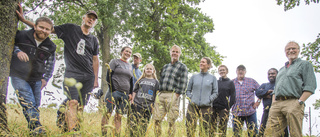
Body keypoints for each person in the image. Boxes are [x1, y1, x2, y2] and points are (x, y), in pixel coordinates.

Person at [16, 8, 100, 132]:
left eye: (93, 19)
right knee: (73, 102)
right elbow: (46, 29)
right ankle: (74, 132)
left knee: (81, 106)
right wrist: (24, 20)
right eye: (89, 17)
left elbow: (95, 60)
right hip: (72, 73)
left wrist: (95, 78)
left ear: (94, 23)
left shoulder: (94, 40)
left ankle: (63, 118)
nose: (90, 20)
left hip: (88, 75)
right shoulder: (70, 29)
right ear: (84, 18)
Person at [10, 16, 56, 135]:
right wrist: (17, 51)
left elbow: (51, 63)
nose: (44, 31)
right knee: (28, 103)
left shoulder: (51, 46)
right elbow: (9, 44)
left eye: (47, 29)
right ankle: (39, 131)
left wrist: (45, 79)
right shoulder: (21, 35)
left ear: (51, 31)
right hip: (19, 75)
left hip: (36, 79)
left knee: (35, 105)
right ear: (35, 26)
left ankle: (33, 130)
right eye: (41, 27)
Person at [264, 41, 317, 137]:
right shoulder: (281, 70)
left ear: (298, 50)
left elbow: (310, 85)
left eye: (294, 48)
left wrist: (299, 102)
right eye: (288, 49)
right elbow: (276, 89)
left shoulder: (305, 64)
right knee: (269, 133)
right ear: (285, 52)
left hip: (293, 101)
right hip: (277, 104)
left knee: (295, 133)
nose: (291, 50)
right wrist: (273, 104)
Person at [153, 45, 188, 136]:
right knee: (156, 119)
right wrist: (158, 92)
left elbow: (184, 82)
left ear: (180, 54)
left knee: (171, 120)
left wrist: (177, 94)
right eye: (173, 51)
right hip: (161, 94)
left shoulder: (182, 67)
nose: (175, 53)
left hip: (173, 94)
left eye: (177, 52)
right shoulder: (165, 66)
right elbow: (161, 79)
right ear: (170, 53)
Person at [101, 46, 133, 136]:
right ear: (122, 52)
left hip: (125, 95)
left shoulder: (130, 66)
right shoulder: (114, 62)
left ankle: (116, 135)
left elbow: (131, 80)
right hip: (114, 92)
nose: (128, 53)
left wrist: (130, 93)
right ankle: (104, 134)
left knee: (119, 116)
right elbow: (108, 75)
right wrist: (113, 90)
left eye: (130, 52)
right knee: (107, 113)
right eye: (126, 51)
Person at [185, 57, 218, 137]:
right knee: (190, 127)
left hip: (206, 107)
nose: (201, 63)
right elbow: (188, 90)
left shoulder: (212, 78)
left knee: (204, 129)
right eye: (200, 62)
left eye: (203, 62)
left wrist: (209, 100)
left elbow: (215, 93)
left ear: (208, 65)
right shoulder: (194, 77)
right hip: (192, 106)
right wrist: (191, 99)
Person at [256, 68, 289, 137]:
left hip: (280, 112)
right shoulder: (264, 85)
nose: (271, 75)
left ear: (277, 74)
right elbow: (257, 92)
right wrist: (267, 92)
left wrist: (266, 94)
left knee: (282, 132)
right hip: (267, 111)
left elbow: (280, 93)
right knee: (262, 130)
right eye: (269, 74)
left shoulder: (281, 84)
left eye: (273, 73)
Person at [129, 63, 159, 137]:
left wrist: (154, 106)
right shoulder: (141, 80)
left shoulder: (156, 82)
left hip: (148, 107)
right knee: (134, 124)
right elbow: (135, 91)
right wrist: (132, 101)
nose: (149, 70)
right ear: (144, 71)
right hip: (137, 105)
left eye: (150, 69)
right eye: (147, 69)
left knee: (143, 125)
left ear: (153, 71)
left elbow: (157, 95)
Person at [232, 65, 260, 137]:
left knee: (253, 134)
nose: (241, 71)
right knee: (236, 134)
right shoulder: (232, 82)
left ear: (245, 72)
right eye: (239, 70)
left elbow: (261, 92)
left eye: (242, 70)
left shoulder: (251, 81)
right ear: (236, 71)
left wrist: (258, 102)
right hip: (236, 112)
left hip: (250, 112)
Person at [212, 65, 236, 137]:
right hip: (214, 107)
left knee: (222, 128)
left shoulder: (230, 82)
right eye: (220, 70)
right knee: (212, 127)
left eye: (223, 70)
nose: (222, 71)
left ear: (227, 71)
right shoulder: (216, 82)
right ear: (218, 72)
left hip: (223, 108)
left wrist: (228, 108)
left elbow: (233, 97)